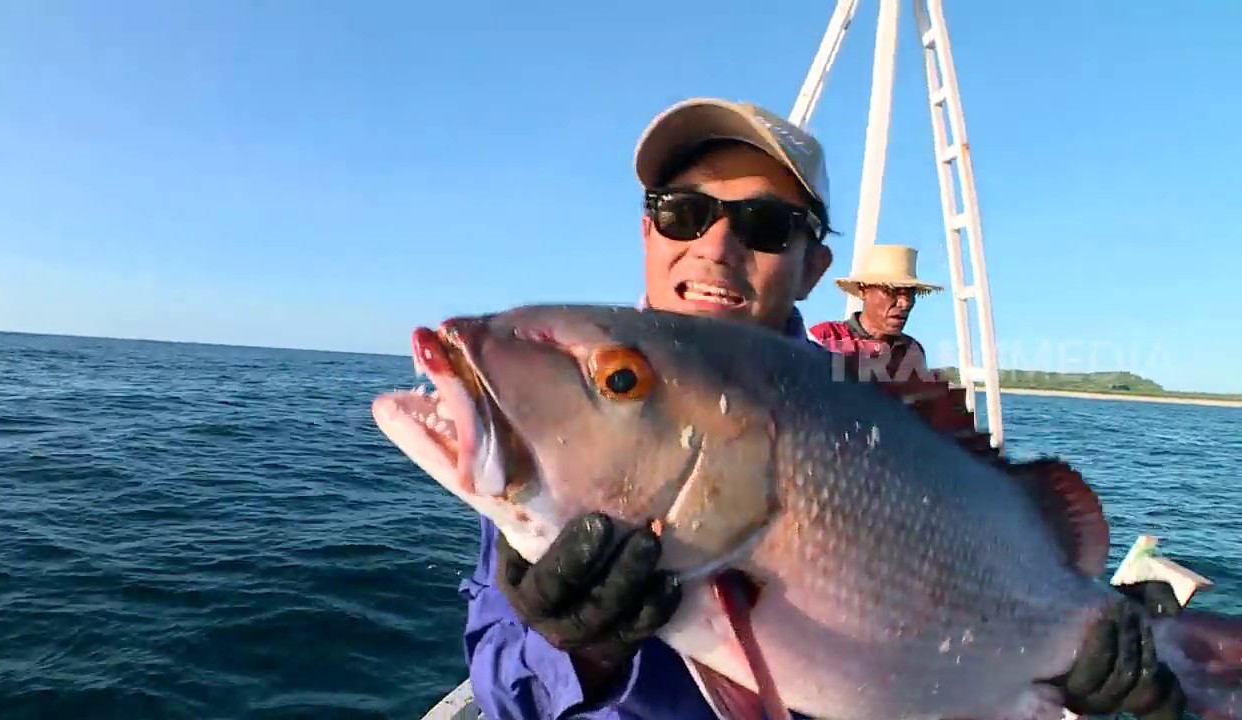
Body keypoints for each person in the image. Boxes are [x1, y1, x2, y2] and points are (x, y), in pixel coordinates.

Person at [457, 97, 1188, 720]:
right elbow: (502, 689)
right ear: (648, 232)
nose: (715, 247)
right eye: (683, 212)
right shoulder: (558, 418)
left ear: (814, 268)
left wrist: (1072, 666)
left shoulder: (870, 411)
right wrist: (575, 649)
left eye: (766, 225)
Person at [809, 244, 937, 383]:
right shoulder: (825, 338)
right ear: (863, 291)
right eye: (892, 291)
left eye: (910, 294)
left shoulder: (911, 350)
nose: (905, 303)